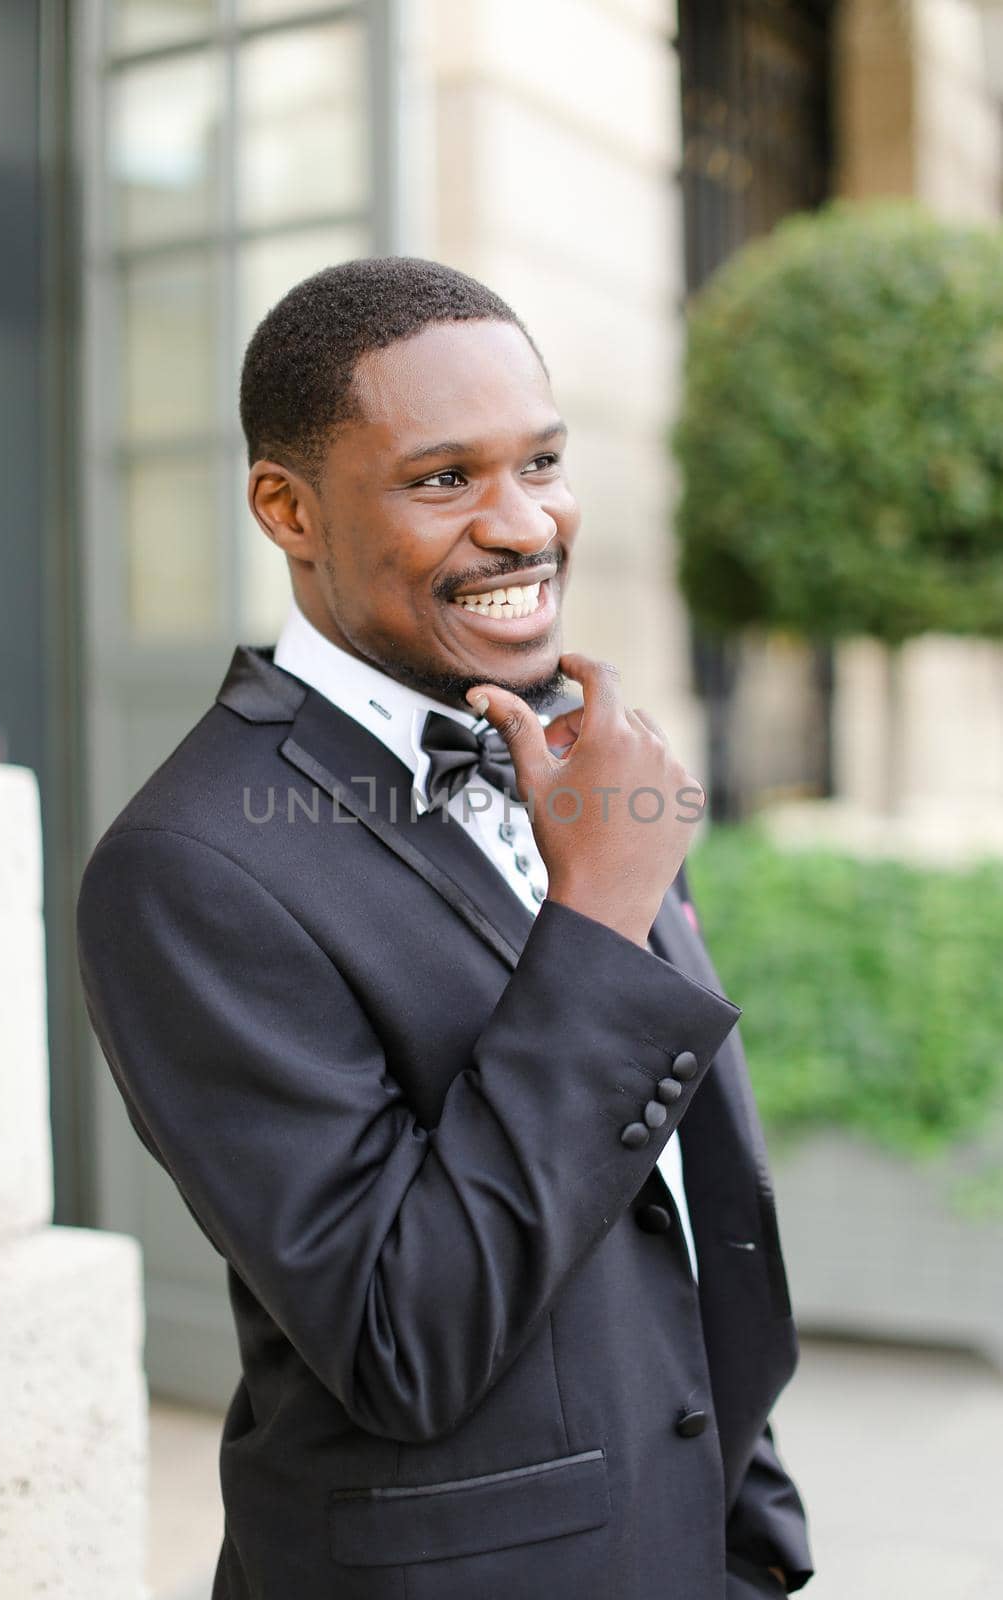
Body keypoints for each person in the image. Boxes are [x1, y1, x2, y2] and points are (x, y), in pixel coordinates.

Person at [76, 256, 813, 1599]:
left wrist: (745, 1522)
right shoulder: (186, 867)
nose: (526, 524)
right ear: (288, 510)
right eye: (444, 479)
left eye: (542, 461)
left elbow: (680, 1195)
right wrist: (599, 908)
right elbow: (403, 1337)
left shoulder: (591, 760)